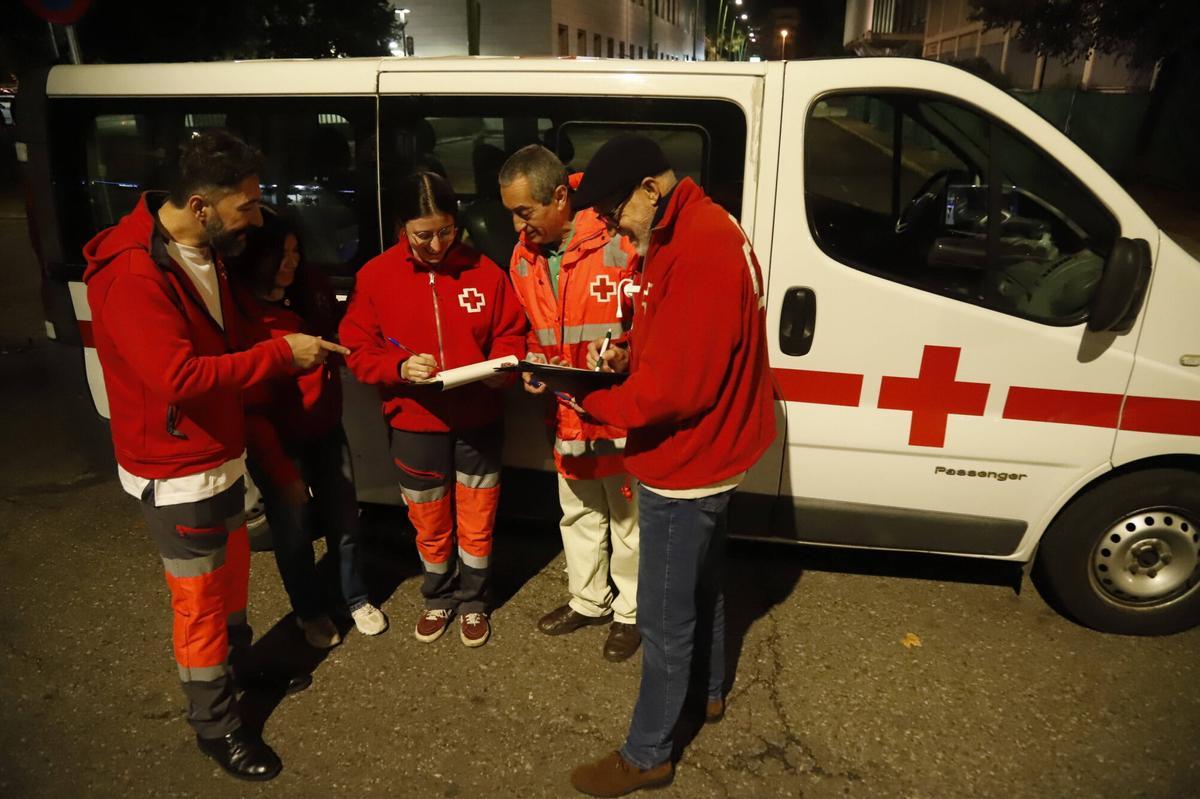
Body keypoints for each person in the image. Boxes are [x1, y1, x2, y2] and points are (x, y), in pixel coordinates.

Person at [82, 130, 347, 781]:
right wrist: (283, 355)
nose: (256, 219)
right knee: (198, 601)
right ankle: (216, 723)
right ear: (201, 204)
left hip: (219, 453)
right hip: (178, 471)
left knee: (228, 584)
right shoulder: (132, 273)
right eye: (247, 206)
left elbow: (233, 340)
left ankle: (237, 669)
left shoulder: (202, 250)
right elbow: (180, 377)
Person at [565, 135, 776, 797]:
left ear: (649, 190)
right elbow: (673, 327)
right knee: (703, 586)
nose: (611, 223)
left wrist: (589, 399)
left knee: (661, 615)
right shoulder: (690, 226)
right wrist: (627, 347)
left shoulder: (700, 243)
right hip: (715, 452)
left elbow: (677, 389)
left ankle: (648, 751)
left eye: (613, 209)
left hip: (688, 463)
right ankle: (707, 693)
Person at [339, 172, 527, 647]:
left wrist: (501, 366)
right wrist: (399, 365)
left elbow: (511, 332)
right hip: (414, 419)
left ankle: (475, 601)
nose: (437, 244)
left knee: (479, 514)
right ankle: (438, 595)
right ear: (403, 227)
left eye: (446, 231)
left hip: (479, 417)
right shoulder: (376, 276)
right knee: (428, 517)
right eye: (424, 234)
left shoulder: (485, 271)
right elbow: (358, 350)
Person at [498, 144, 642, 662]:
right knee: (578, 512)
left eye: (525, 212)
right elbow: (529, 328)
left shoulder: (619, 238)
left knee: (628, 519)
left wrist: (627, 351)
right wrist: (533, 364)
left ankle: (629, 614)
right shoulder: (523, 257)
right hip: (565, 410)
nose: (518, 226)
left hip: (620, 409)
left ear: (560, 197)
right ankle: (587, 601)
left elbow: (651, 318)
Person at [231, 211, 389, 650]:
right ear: (256, 258)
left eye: (297, 252)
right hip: (277, 438)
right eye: (282, 255)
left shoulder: (309, 287)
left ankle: (355, 597)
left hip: (325, 426)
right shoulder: (242, 313)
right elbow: (251, 408)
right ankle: (309, 611)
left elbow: (343, 327)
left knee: (344, 517)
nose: (293, 263)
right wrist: (282, 472)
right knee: (293, 531)